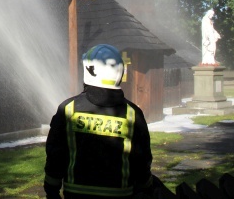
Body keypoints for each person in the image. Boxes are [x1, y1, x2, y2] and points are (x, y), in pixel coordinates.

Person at [44, 44, 155, 199]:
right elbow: (142, 159)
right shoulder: (133, 113)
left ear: (89, 69)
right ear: (120, 71)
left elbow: (56, 154)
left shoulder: (68, 109)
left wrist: (51, 188)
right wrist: (145, 186)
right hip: (120, 194)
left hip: (76, 194)